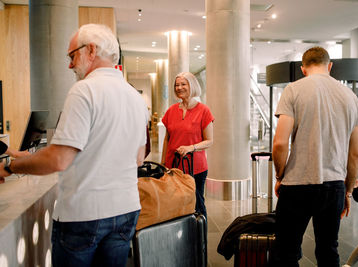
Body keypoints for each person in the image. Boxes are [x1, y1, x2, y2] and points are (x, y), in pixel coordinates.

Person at [0, 24, 148, 267]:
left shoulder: (84, 90)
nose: (70, 65)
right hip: (126, 210)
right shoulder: (135, 96)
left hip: (84, 215)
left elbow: (58, 159)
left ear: (91, 50)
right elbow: (139, 158)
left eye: (72, 56)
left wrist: (11, 167)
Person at [272, 46, 358, 266]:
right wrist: (348, 190)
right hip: (334, 186)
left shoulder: (293, 90)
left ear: (303, 69)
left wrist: (279, 176)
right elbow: (356, 153)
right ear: (330, 66)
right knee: (328, 250)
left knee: (287, 250)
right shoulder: (350, 97)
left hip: (296, 184)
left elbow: (280, 143)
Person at [161, 72, 214, 218]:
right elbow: (167, 139)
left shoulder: (204, 111)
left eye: (183, 84)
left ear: (192, 85)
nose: (179, 87)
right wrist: (163, 163)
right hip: (173, 166)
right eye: (177, 85)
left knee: (197, 205)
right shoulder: (171, 111)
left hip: (195, 167)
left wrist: (191, 148)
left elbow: (210, 140)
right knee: (175, 204)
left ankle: (200, 237)